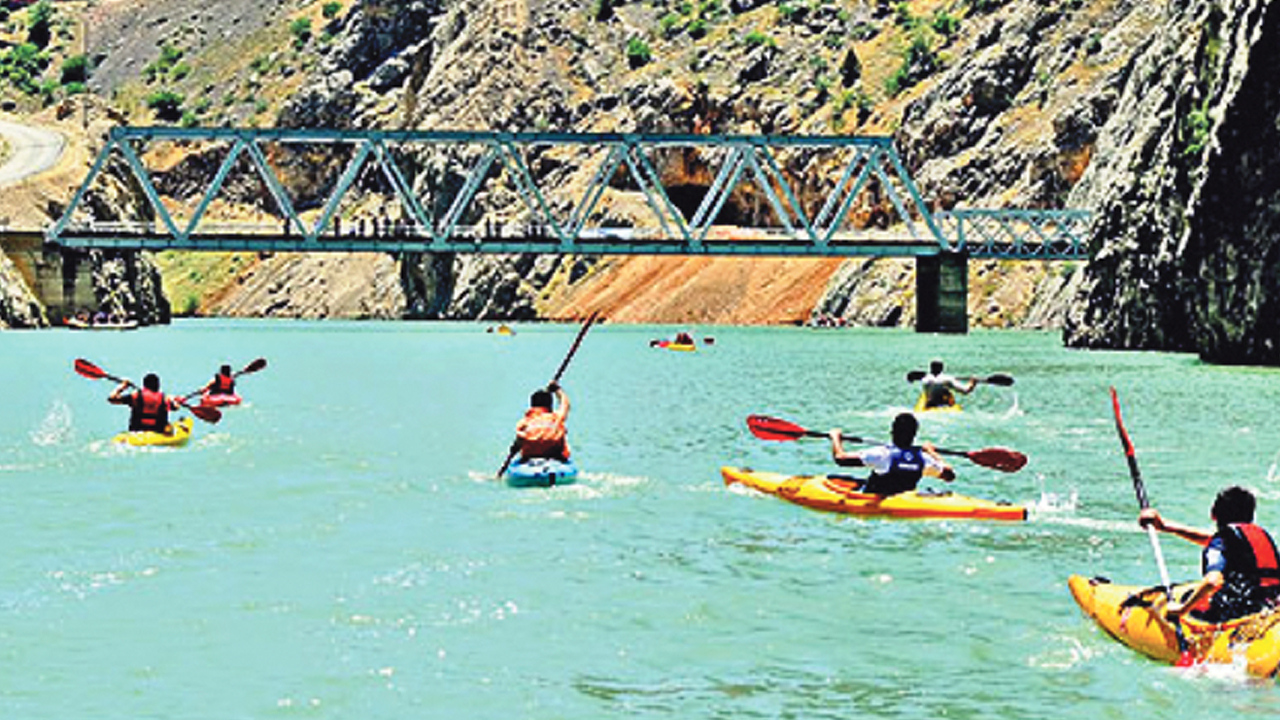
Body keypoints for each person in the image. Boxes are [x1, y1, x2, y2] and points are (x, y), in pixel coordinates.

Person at [1139, 486, 1280, 623]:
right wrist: (1165, 527)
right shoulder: (1260, 534)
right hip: (1270, 605)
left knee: (1191, 598)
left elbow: (1213, 581)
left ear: (1213, 513)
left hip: (1240, 612)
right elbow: (1213, 539)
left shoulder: (1222, 541)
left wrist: (1181, 610)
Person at [828, 412, 955, 495]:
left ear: (892, 431)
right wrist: (932, 452)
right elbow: (949, 475)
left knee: (832, 478)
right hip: (903, 498)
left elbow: (840, 459)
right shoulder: (923, 458)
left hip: (874, 499)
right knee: (857, 481)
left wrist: (835, 437)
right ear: (914, 434)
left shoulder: (882, 454)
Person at [513, 382, 571, 462]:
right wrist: (558, 390)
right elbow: (565, 405)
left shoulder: (525, 422)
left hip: (530, 457)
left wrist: (514, 448)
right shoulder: (557, 418)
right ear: (550, 405)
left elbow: (519, 439)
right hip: (555, 456)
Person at [108, 373, 181, 433]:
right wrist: (174, 399)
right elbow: (176, 407)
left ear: (144, 385)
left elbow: (112, 398)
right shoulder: (165, 398)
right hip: (158, 432)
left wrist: (123, 386)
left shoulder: (136, 396)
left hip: (136, 432)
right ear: (157, 385)